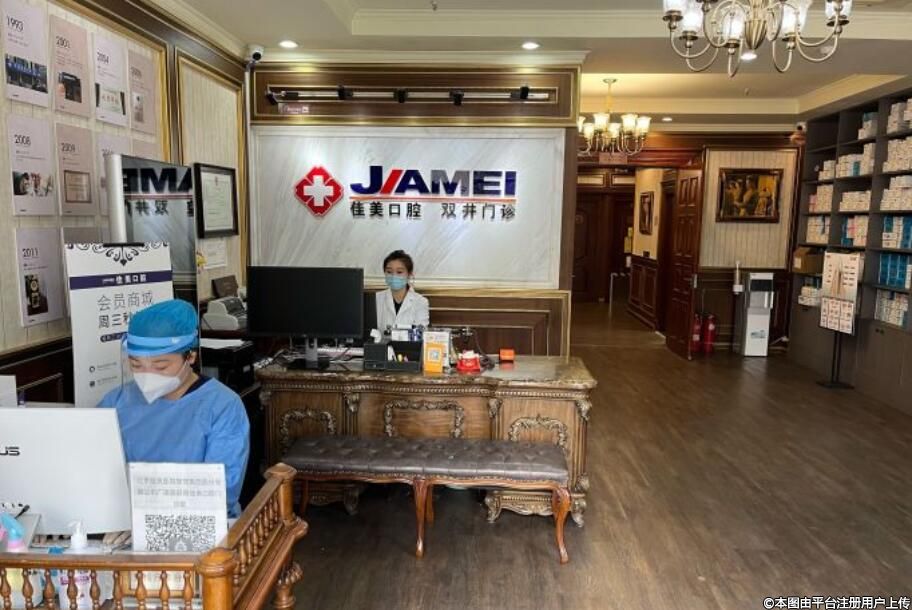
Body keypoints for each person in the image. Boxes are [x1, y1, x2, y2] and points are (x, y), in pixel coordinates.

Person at [98, 299, 250, 518]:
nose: (148, 375)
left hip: (200, 521)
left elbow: (220, 490)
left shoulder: (222, 406)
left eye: (161, 366)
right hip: (123, 518)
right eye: (136, 365)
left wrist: (152, 518)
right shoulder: (117, 400)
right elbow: (92, 463)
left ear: (190, 356)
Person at [375, 250, 429, 335]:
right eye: (389, 272)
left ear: (409, 275)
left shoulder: (420, 302)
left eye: (399, 272)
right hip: (382, 344)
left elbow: (420, 332)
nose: (394, 276)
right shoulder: (376, 299)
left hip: (409, 344)